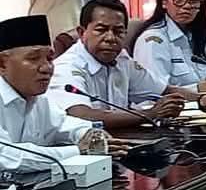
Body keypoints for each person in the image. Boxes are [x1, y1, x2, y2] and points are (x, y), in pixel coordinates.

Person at [49, 0, 206, 130]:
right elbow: (82, 115)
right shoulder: (67, 68)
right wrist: (149, 114)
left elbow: (164, 90)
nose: (110, 38)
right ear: (82, 32)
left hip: (120, 143)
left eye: (118, 31)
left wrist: (202, 99)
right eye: (101, 30)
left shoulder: (121, 60)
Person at [0, 15, 127, 171]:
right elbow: (6, 156)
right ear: (2, 64)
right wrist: (78, 150)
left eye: (49, 58)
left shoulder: (39, 99)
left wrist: (89, 133)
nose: (47, 68)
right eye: (33, 58)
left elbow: (62, 124)